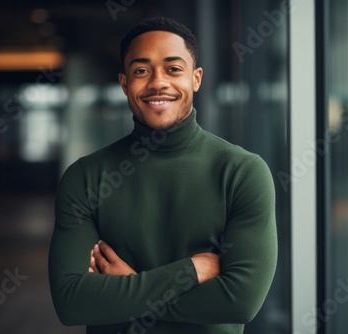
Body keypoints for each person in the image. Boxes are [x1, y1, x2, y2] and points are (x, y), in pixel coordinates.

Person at [49, 17, 277, 334]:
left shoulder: (242, 172)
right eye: (142, 70)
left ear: (195, 79)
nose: (158, 82)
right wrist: (192, 270)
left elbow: (240, 302)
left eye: (173, 69)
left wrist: (128, 289)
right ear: (124, 82)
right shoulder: (86, 176)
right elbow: (72, 302)